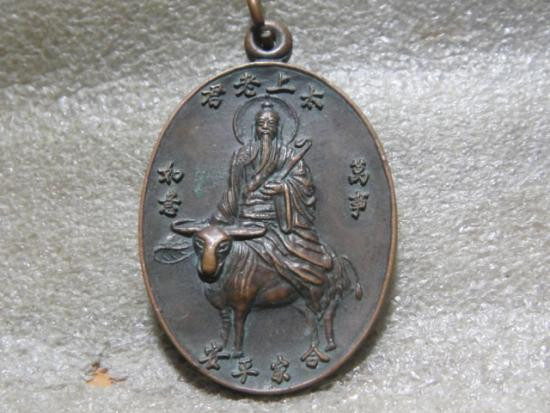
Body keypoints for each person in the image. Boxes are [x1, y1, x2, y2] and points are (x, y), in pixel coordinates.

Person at [213, 101, 334, 311]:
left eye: (271, 122)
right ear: (254, 127)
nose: (266, 126)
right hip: (245, 222)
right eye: (261, 122)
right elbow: (232, 191)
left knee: (306, 261)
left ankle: (311, 293)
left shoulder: (288, 155)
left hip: (278, 223)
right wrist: (219, 220)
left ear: (278, 127)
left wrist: (284, 188)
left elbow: (305, 187)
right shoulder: (241, 156)